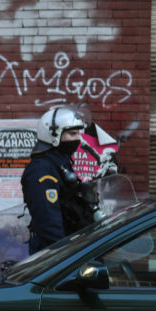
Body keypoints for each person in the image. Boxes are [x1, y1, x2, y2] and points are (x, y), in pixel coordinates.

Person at [21, 105, 100, 254]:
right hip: (53, 255)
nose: (78, 139)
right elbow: (48, 222)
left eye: (78, 133)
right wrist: (64, 255)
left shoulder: (60, 163)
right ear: (54, 135)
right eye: (72, 134)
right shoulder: (41, 170)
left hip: (71, 246)